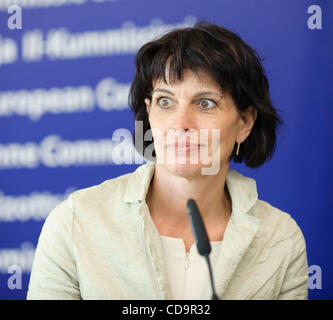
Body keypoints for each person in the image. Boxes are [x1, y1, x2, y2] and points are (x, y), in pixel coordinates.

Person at [27, 21, 308, 300]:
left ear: (244, 122)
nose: (180, 123)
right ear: (149, 113)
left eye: (205, 103)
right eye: (165, 101)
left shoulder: (280, 238)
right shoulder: (75, 222)